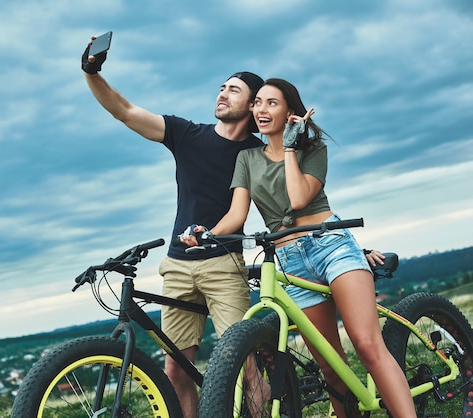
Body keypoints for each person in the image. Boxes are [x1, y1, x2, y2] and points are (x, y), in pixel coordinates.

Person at [182, 78, 416, 417]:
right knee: (331, 364)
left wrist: (290, 147)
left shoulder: (312, 149)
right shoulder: (247, 159)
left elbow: (298, 198)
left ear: (291, 112)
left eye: (271, 103)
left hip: (330, 247)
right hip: (290, 260)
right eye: (257, 102)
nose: (261, 109)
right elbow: (236, 214)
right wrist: (208, 232)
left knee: (367, 345)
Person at [81, 36, 265, 417]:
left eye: (234, 90)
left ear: (252, 104)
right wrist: (92, 72)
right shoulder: (187, 134)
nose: (223, 94)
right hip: (178, 265)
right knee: (176, 371)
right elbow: (126, 111)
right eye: (222, 88)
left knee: (245, 365)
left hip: (223, 264)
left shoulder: (257, 152)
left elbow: (279, 203)